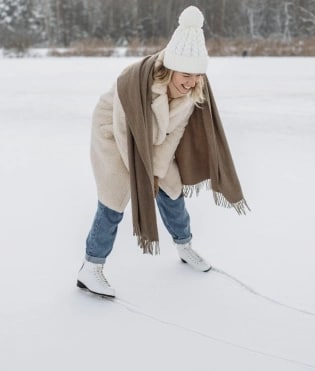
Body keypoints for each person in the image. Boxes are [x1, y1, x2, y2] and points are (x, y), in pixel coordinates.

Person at [77, 6, 249, 298]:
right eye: (186, 74)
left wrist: (156, 173)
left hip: (154, 137)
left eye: (197, 75)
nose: (192, 82)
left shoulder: (193, 92)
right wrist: (142, 177)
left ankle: (185, 246)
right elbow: (124, 133)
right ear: (170, 67)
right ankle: (90, 268)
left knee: (171, 189)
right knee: (114, 199)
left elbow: (175, 133)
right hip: (114, 133)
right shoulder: (134, 81)